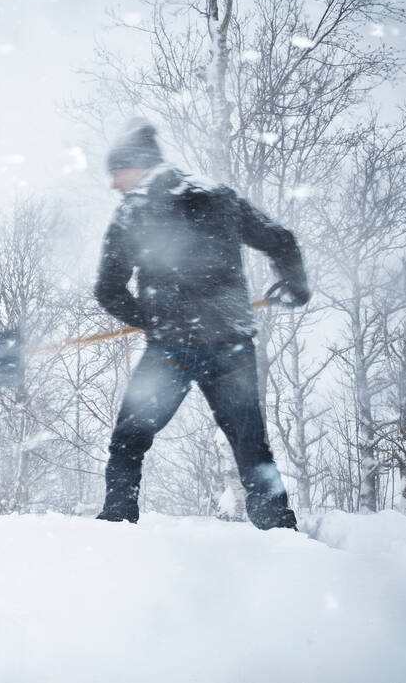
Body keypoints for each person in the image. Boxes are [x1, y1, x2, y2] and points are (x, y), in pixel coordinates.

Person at [94, 117, 310, 530]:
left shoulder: (132, 213)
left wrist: (153, 319)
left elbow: (108, 290)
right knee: (250, 444)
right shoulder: (220, 197)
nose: (113, 184)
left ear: (137, 167)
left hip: (172, 347)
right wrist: (297, 286)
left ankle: (115, 528)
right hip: (231, 339)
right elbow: (281, 240)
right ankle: (279, 531)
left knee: (129, 440)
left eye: (116, 173)